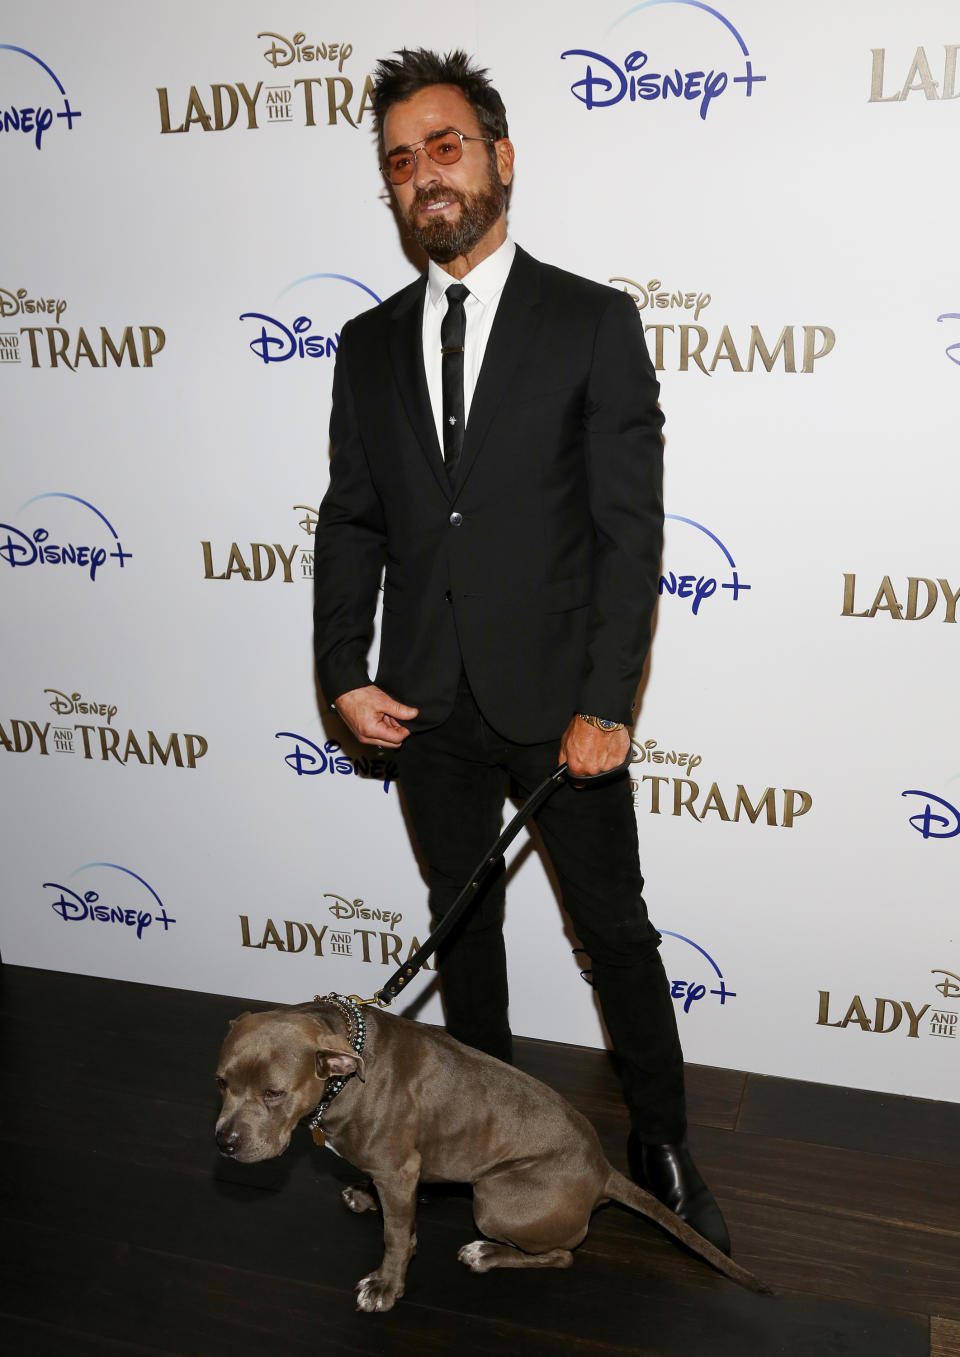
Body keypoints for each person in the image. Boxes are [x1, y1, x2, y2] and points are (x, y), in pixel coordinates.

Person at [313, 48, 730, 1254]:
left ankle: (659, 1140)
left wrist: (610, 699)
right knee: (464, 932)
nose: (423, 175)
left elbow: (625, 528)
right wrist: (346, 667)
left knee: (617, 931)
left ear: (500, 158)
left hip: (562, 708)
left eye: (445, 146)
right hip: (424, 700)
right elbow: (354, 517)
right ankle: (487, 1135)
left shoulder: (593, 321)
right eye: (400, 160)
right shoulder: (365, 343)